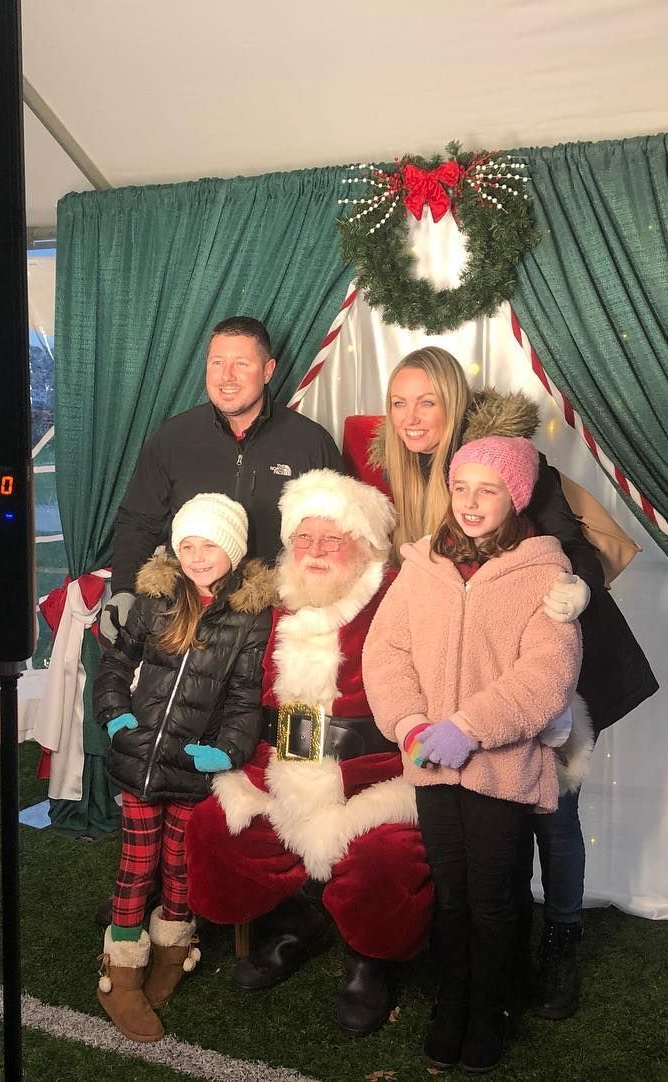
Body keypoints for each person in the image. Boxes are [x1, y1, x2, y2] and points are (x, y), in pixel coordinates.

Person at [372, 345, 658, 1018]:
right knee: (482, 836)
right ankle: (477, 959)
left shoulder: (501, 459)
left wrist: (576, 595)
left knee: (553, 816)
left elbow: (571, 550)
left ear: (454, 402)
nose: (412, 417)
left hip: (558, 664)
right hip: (466, 685)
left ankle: (559, 943)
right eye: (398, 402)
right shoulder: (408, 475)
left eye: (427, 402)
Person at [364, 436, 583, 1073]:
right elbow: (386, 652)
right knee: (452, 895)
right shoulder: (423, 565)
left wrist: (470, 725)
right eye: (461, 487)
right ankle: (451, 1002)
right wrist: (408, 722)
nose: (470, 502)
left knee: (493, 898)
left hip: (501, 767)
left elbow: (548, 674)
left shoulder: (545, 574)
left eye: (487, 489)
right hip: (430, 762)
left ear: (514, 496)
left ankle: (490, 1009)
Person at [186, 469, 429, 1036]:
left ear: (364, 545)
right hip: (285, 759)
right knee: (214, 827)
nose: (315, 551)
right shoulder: (277, 600)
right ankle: (302, 919)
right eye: (303, 538)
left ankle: (368, 959)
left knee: (383, 858)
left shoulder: (397, 597)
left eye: (332, 539)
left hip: (374, 773)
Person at [91, 492, 273, 1043]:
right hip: (139, 757)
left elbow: (246, 699)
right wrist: (116, 714)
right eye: (187, 544)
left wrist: (230, 750)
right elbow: (116, 663)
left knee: (179, 864)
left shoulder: (250, 616)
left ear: (234, 550)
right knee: (136, 864)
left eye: (209, 544)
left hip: (192, 769)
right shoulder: (157, 597)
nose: (196, 555)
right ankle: (121, 968)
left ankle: (173, 945)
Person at [100, 315, 342, 644]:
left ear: (268, 370)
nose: (226, 376)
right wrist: (124, 589)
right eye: (217, 362)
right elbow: (138, 521)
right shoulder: (172, 438)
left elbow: (339, 536)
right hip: (187, 620)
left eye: (241, 363)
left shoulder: (310, 443)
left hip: (275, 625)